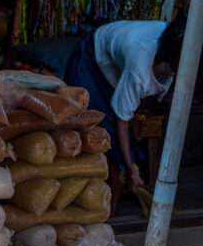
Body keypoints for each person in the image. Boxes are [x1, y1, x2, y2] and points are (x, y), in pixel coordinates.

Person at [64, 17, 184, 213]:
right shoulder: (139, 65)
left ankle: (111, 207)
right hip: (92, 58)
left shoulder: (173, 49)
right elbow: (121, 121)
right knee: (98, 131)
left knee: (125, 137)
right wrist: (130, 170)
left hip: (118, 69)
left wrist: (138, 116)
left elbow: (149, 91)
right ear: (167, 61)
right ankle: (105, 210)